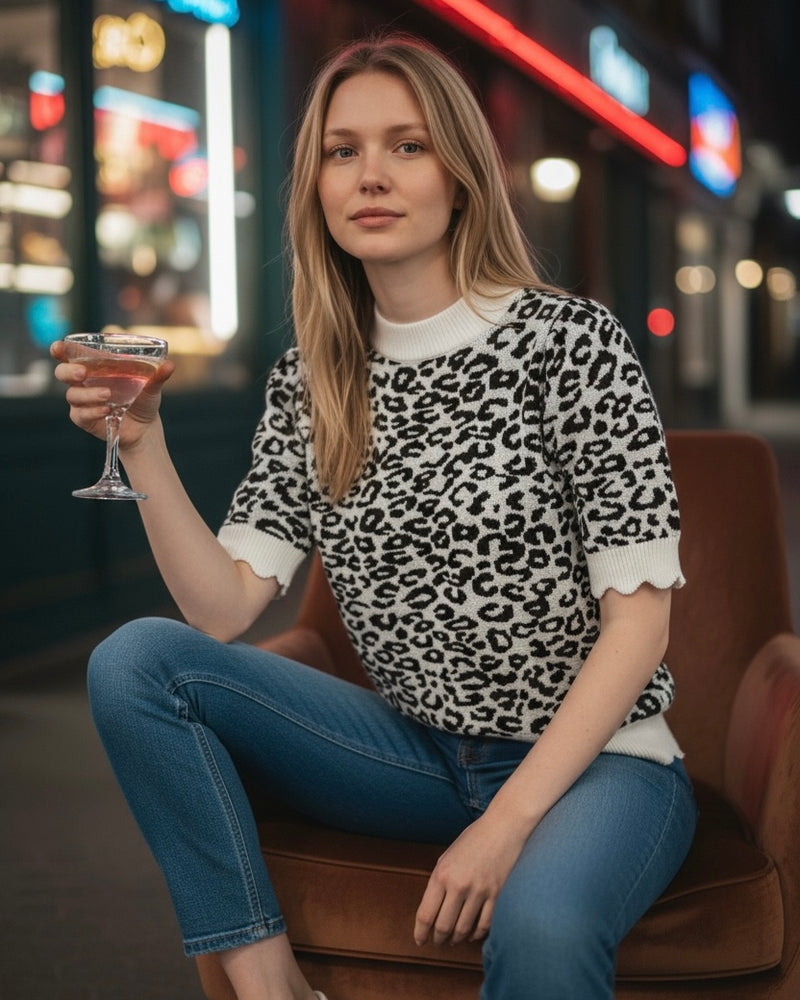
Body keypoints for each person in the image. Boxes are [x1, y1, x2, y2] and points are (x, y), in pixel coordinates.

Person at [52, 33, 697, 1000]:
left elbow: (641, 620)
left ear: (462, 173)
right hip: (417, 754)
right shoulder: (316, 380)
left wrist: (507, 823)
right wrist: (142, 442)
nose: (372, 176)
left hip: (602, 765)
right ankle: (270, 984)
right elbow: (223, 611)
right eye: (342, 151)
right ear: (316, 184)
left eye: (408, 145)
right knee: (135, 662)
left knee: (545, 930)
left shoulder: (571, 342)